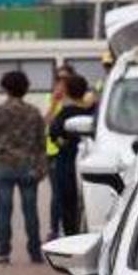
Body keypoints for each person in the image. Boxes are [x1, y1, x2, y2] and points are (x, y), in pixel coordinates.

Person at [0, 71, 47, 265]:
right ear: (26, 88)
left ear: (5, 88)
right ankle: (35, 253)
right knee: (30, 210)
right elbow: (41, 141)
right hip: (28, 166)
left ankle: (3, 252)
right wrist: (41, 165)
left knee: (4, 210)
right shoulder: (34, 112)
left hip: (4, 166)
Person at [49, 75, 95, 236]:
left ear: (67, 91)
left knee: (68, 204)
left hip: (67, 162)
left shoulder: (66, 112)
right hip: (91, 160)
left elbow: (53, 132)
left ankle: (71, 237)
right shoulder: (93, 110)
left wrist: (62, 142)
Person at [44, 65, 75, 241]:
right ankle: (54, 229)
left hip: (71, 150)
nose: (62, 83)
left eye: (66, 80)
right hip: (53, 151)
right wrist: (54, 103)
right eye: (59, 79)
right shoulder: (50, 98)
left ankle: (70, 228)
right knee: (57, 193)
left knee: (70, 192)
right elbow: (46, 121)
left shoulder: (78, 98)